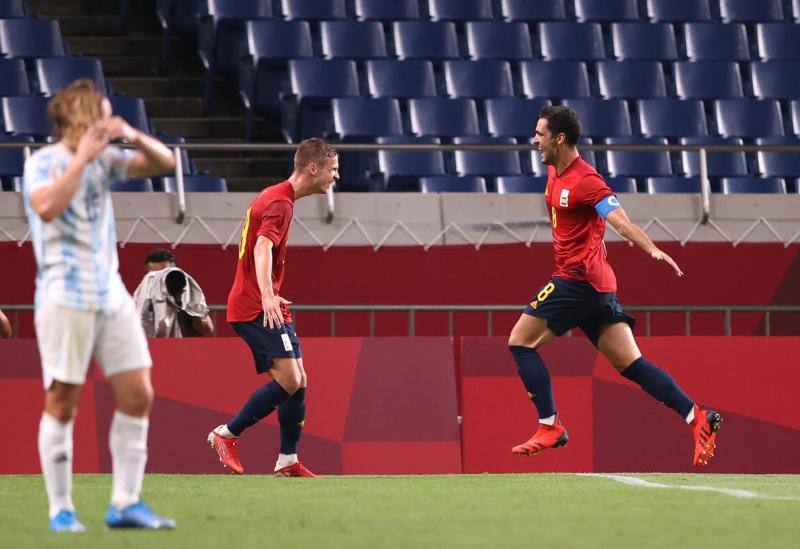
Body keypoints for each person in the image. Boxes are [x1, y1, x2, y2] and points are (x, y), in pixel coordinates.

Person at [507, 106, 721, 467]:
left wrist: (651, 249)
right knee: (631, 364)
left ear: (559, 138)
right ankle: (697, 416)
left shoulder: (587, 180)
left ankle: (550, 425)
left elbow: (619, 221)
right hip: (599, 286)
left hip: (577, 281)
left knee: (520, 342)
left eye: (540, 133)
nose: (534, 139)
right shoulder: (552, 169)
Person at [22, 80, 176, 532]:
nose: (107, 123)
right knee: (64, 401)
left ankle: (125, 502)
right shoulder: (43, 163)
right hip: (63, 295)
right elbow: (47, 207)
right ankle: (61, 509)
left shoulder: (108, 160)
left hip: (110, 293)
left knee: (138, 394)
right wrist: (84, 158)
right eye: (103, 115)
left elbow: (163, 162)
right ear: (80, 117)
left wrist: (131, 132)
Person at [207, 138, 339, 477]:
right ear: (314, 169)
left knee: (300, 378)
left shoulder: (277, 196)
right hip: (254, 305)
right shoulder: (280, 202)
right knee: (291, 379)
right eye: (333, 170)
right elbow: (261, 247)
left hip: (265, 301)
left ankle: (287, 460)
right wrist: (266, 294)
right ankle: (227, 434)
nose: (336, 177)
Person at [133, 248, 214, 337]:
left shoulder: (184, 293)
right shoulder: (141, 298)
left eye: (164, 273)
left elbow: (207, 329)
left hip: (182, 347)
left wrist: (191, 310)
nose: (159, 279)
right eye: (153, 275)